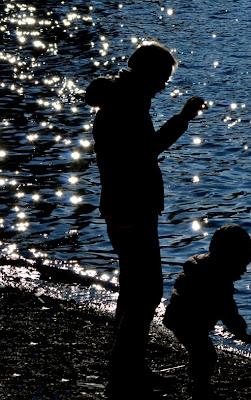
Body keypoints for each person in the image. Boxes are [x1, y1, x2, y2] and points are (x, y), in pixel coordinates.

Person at [85, 41, 206, 399]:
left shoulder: (122, 101)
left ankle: (126, 363)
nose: (165, 84)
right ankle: (126, 367)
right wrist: (183, 119)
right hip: (131, 208)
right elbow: (146, 151)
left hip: (124, 207)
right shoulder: (127, 105)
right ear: (147, 73)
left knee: (135, 287)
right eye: (163, 76)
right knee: (146, 290)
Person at [163, 224, 251, 399]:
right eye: (242, 265)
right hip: (189, 323)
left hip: (178, 319)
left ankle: (196, 382)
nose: (244, 271)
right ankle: (199, 389)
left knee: (199, 352)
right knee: (206, 355)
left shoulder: (203, 266)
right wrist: (240, 331)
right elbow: (228, 312)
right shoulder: (218, 281)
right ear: (229, 259)